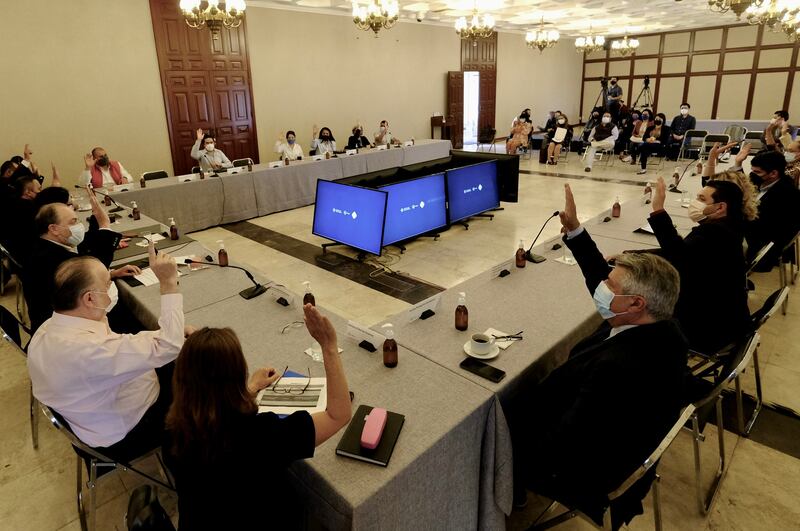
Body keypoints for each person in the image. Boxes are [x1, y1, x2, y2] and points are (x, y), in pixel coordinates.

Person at [512, 183, 687, 529]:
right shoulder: (664, 327)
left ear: (636, 303)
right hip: (615, 439)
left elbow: (563, 441)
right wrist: (575, 230)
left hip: (580, 471)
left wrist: (514, 452)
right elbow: (602, 278)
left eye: (611, 285)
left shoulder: (617, 367)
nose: (602, 287)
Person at [164, 304, 351, 530]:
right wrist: (329, 346)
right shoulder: (262, 435)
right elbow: (337, 415)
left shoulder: (171, 433)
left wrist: (251, 388)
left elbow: (213, 409)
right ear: (237, 374)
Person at [28, 243, 190, 462]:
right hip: (127, 431)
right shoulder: (89, 350)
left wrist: (171, 335)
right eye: (108, 283)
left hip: (93, 413)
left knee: (172, 347)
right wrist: (169, 283)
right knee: (199, 379)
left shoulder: (48, 328)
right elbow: (170, 345)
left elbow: (112, 329)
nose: (111, 287)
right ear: (89, 299)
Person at [647, 177, 751, 354]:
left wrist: (658, 210)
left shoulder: (715, 232)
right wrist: (633, 255)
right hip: (728, 318)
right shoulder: (730, 225)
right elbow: (687, 252)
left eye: (702, 200)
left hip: (709, 327)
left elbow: (678, 255)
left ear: (720, 207)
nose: (695, 203)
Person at [22, 191, 135, 331]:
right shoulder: (54, 259)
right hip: (66, 330)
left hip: (62, 320)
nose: (79, 226)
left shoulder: (44, 245)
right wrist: (104, 225)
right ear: (54, 229)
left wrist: (111, 274)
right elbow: (91, 267)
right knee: (135, 315)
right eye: (73, 222)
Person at [743, 150, 800, 271]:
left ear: (773, 173)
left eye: (757, 172)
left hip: (765, 244)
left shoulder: (786, 194)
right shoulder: (765, 182)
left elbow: (765, 226)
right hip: (756, 232)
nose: (752, 174)